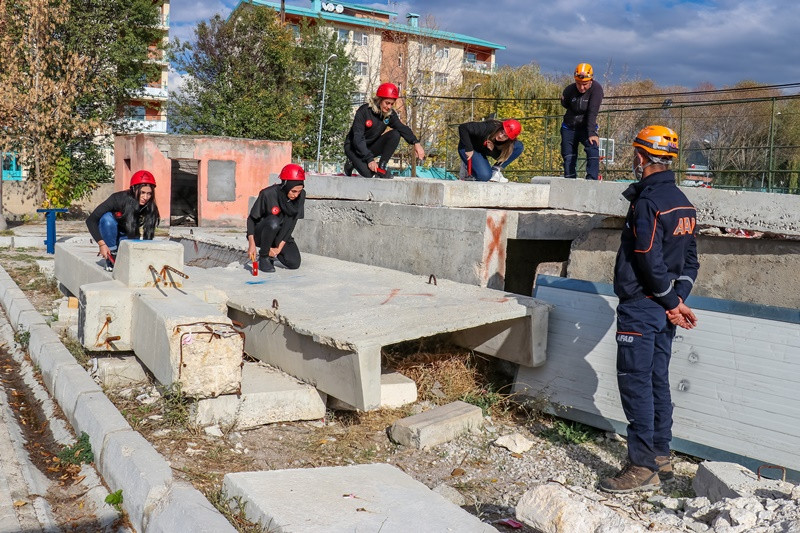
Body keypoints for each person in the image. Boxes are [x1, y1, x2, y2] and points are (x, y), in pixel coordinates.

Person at [600, 125, 699, 494]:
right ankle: (660, 453)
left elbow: (646, 256)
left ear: (640, 156)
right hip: (662, 308)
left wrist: (671, 302)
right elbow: (690, 261)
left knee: (636, 382)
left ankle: (642, 467)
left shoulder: (648, 202)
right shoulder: (684, 202)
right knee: (657, 379)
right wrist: (677, 300)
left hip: (642, 307)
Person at [343, 82, 425, 178]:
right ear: (379, 100)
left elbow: (402, 128)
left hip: (370, 146)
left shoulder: (389, 114)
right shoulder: (364, 111)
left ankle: (382, 166)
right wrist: (370, 160)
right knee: (368, 174)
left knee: (395, 134)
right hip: (354, 147)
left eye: (392, 104)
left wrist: (416, 143)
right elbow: (358, 139)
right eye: (387, 103)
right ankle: (351, 162)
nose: (389, 107)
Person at [86, 170, 160, 270]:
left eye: (149, 194)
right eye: (142, 193)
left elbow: (148, 236)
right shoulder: (117, 199)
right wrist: (102, 244)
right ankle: (111, 257)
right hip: (110, 233)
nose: (145, 197)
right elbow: (91, 220)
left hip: (128, 235)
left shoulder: (149, 206)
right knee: (107, 219)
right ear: (134, 189)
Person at [246, 163, 306, 273]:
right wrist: (252, 244)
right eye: (293, 191)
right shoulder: (268, 194)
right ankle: (264, 256)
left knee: (294, 263)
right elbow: (251, 219)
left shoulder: (301, 196)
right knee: (273, 221)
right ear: (286, 186)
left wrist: (278, 249)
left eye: (299, 191)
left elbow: (292, 223)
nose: (296, 195)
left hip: (281, 234)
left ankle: (271, 253)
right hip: (263, 232)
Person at [560, 62, 604, 180]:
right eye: (578, 84)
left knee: (592, 148)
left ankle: (591, 179)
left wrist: (591, 133)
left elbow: (592, 111)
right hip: (569, 127)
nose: (581, 87)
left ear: (591, 80)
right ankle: (569, 179)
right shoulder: (569, 90)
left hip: (586, 127)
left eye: (585, 84)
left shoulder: (597, 89)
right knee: (568, 156)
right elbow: (565, 104)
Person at [457, 119, 523, 182]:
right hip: (470, 147)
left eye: (505, 136)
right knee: (484, 176)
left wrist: (492, 150)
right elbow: (463, 127)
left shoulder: (507, 143)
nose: (501, 136)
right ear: (500, 127)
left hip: (484, 149)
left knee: (518, 146)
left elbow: (498, 156)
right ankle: (468, 168)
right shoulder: (487, 127)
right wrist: (469, 148)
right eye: (502, 132)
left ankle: (495, 169)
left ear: (508, 139)